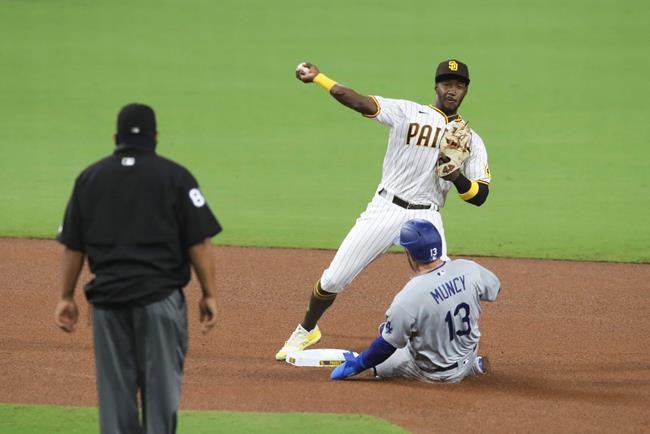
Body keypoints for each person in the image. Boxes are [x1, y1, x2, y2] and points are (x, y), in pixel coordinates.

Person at [276, 59, 492, 360]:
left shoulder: (471, 140)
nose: (451, 90)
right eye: (446, 84)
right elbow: (357, 101)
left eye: (458, 85)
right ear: (436, 86)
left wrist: (455, 176)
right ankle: (306, 330)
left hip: (426, 216)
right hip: (384, 207)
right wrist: (319, 78)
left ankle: (459, 352)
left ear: (466, 90)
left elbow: (479, 196)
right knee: (333, 280)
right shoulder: (407, 111)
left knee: (444, 289)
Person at [54, 103, 222, 434]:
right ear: (155, 137)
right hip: (159, 301)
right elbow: (199, 244)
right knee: (160, 397)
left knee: (115, 399)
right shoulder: (176, 177)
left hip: (107, 303)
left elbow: (73, 245)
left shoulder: (90, 178)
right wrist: (209, 294)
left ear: (116, 137)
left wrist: (65, 296)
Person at [330, 218, 500, 383]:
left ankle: (456, 371)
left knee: (382, 347)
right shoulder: (469, 268)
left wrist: (358, 364)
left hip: (434, 373)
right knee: (404, 326)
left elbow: (386, 346)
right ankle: (471, 367)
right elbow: (495, 288)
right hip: (468, 353)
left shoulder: (408, 298)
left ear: (410, 254)